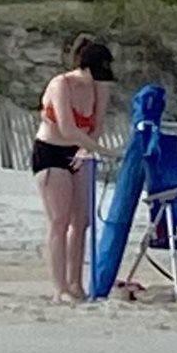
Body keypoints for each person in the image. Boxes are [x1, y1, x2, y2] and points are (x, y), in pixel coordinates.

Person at [32, 34, 118, 304]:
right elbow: (66, 127)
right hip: (51, 151)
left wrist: (87, 149)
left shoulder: (100, 87)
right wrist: (102, 151)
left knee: (81, 221)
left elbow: (97, 124)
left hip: (79, 150)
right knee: (60, 220)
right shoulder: (62, 84)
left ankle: (75, 283)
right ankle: (59, 288)